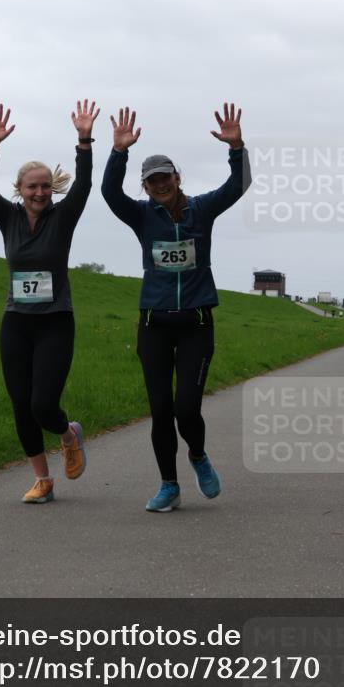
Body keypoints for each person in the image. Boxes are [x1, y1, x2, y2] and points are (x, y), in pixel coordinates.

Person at [101, 103, 251, 512]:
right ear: (146, 187)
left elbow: (237, 187)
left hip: (196, 324)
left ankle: (198, 456)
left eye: (164, 177)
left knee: (187, 408)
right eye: (151, 181)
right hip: (153, 325)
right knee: (160, 410)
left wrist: (236, 147)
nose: (159, 185)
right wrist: (118, 153)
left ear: (177, 178)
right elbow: (110, 193)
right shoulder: (141, 216)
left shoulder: (202, 209)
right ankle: (169, 485)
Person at [0, 100, 99, 503]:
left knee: (43, 404)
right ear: (20, 191)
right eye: (33, 187)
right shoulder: (7, 217)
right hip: (16, 322)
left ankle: (68, 434)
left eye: (45, 186)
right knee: (20, 406)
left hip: (55, 321)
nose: (41, 192)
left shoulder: (63, 217)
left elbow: (84, 185)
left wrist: (84, 140)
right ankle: (43, 481)